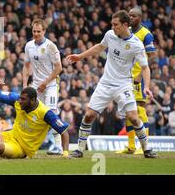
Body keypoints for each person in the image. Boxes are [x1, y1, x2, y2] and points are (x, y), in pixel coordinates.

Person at [67, 11, 157, 158]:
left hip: (124, 84)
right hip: (106, 83)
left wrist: (146, 87)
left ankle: (147, 149)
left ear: (125, 25)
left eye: (116, 24)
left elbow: (145, 67)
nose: (112, 27)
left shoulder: (136, 45)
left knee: (134, 117)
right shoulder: (110, 35)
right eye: (112, 24)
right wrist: (80, 56)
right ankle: (79, 150)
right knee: (89, 115)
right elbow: (99, 47)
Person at [116, 6, 156, 154]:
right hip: (126, 77)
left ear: (140, 17)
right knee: (128, 110)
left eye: (133, 16)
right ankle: (131, 146)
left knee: (140, 108)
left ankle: (144, 145)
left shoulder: (146, 34)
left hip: (139, 78)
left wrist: (140, 75)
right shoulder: (128, 33)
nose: (131, 18)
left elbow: (152, 57)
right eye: (129, 16)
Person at [23, 19, 63, 154]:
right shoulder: (28, 46)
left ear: (44, 31)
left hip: (50, 85)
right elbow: (26, 65)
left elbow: (59, 68)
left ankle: (58, 146)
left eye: (39, 31)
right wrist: (24, 85)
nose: (36, 34)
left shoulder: (51, 46)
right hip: (36, 85)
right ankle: (31, 144)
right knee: (32, 112)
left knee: (51, 113)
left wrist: (45, 82)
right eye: (34, 31)